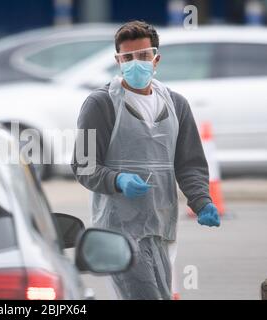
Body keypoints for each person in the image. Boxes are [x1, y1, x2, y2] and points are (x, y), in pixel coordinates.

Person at [71, 20, 220, 300]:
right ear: (118, 61)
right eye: (127, 57)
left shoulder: (176, 104)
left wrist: (202, 201)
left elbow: (189, 163)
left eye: (143, 55)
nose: (136, 63)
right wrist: (117, 179)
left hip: (161, 227)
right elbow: (83, 165)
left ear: (156, 59)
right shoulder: (101, 104)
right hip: (119, 231)